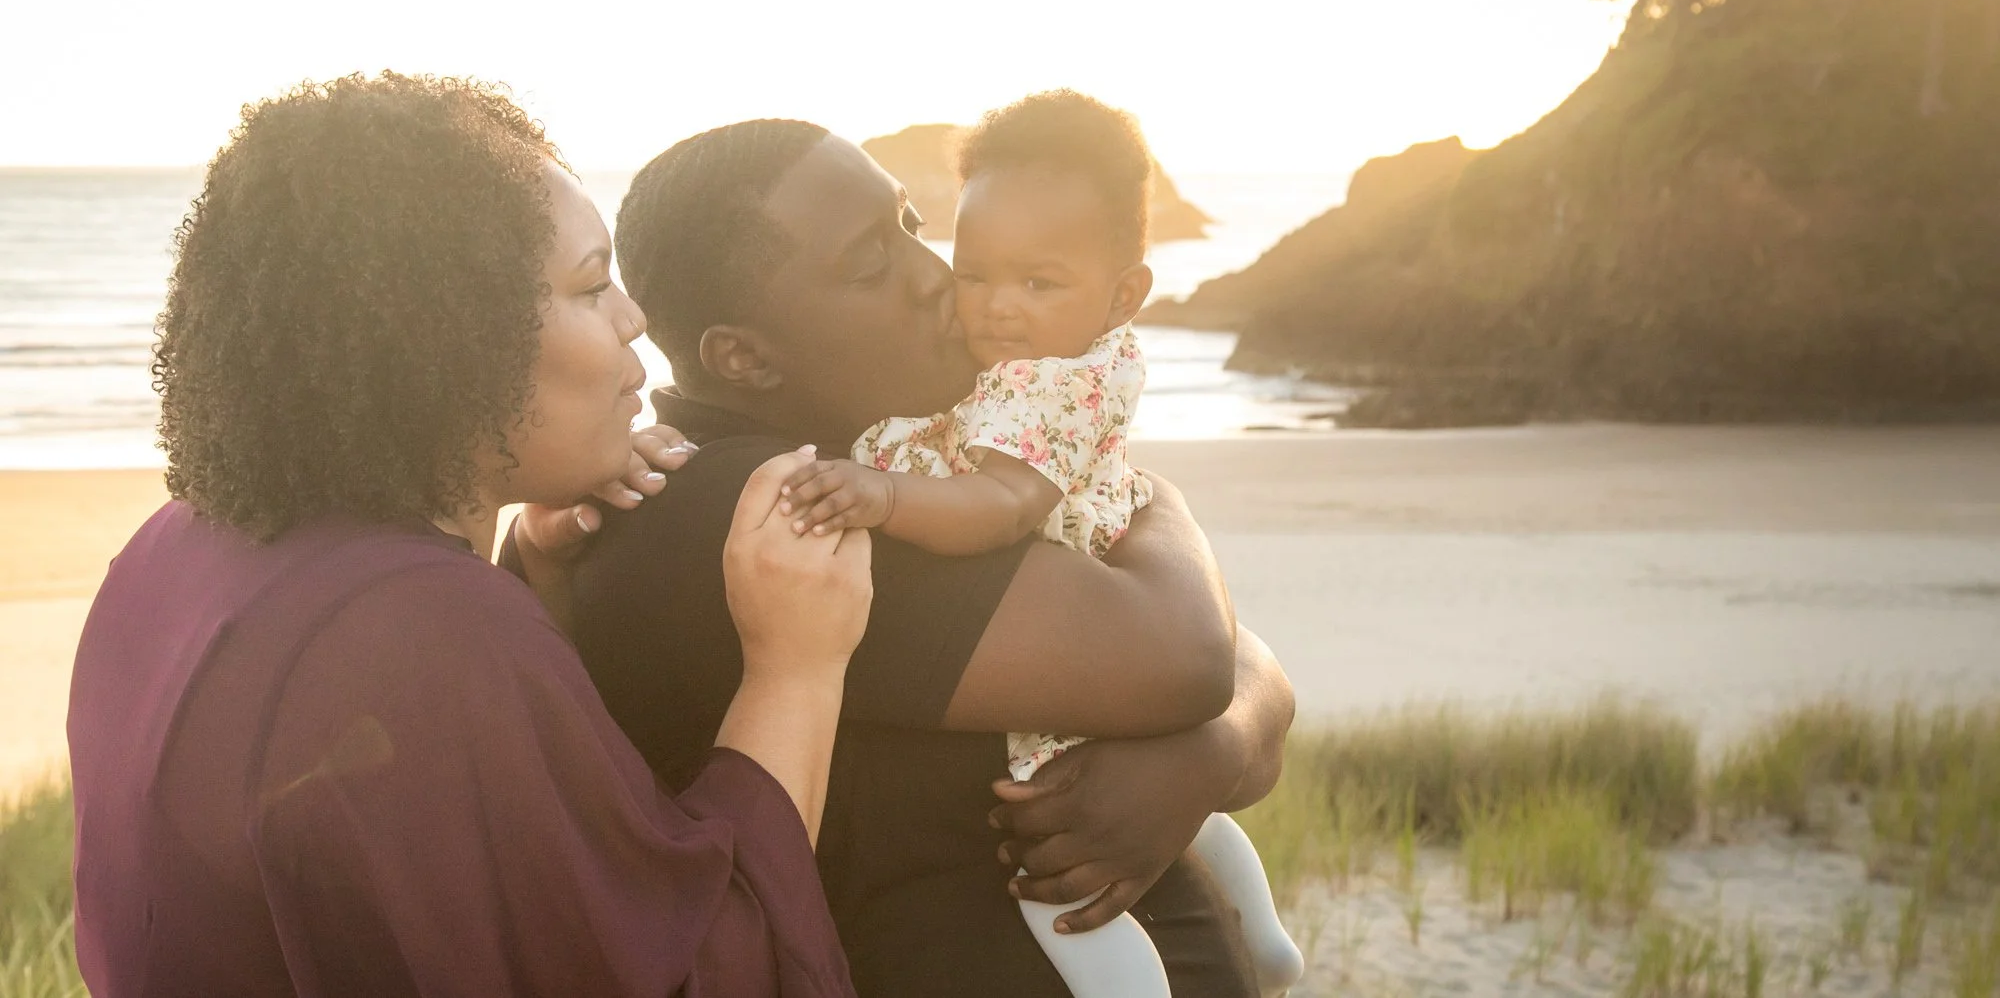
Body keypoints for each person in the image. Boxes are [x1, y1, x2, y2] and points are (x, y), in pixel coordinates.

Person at [68, 74, 867, 997]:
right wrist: (795, 666)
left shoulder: (172, 547)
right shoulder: (429, 637)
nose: (633, 318)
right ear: (452, 338)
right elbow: (693, 971)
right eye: (590, 284)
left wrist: (528, 565)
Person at [509, 116, 1296, 997]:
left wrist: (1212, 752)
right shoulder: (769, 511)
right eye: (872, 265)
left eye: (913, 226)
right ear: (743, 355)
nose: (935, 278)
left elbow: (1245, 675)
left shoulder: (905, 467)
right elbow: (1186, 654)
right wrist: (1156, 500)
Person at [776, 92, 1304, 997]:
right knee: (1192, 824)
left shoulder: (1045, 387)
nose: (994, 308)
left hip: (1077, 675)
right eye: (974, 273)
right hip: (1118, 637)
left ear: (1124, 293)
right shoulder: (1067, 360)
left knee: (1065, 899)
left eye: (1037, 283)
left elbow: (998, 505)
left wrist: (884, 493)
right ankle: (1262, 929)